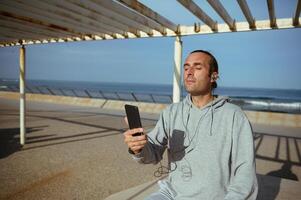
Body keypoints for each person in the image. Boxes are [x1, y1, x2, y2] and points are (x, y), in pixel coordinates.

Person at [123, 50, 258, 199]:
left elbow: (245, 173)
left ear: (214, 76)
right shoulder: (172, 112)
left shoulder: (234, 116)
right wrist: (139, 147)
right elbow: (153, 154)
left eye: (197, 67)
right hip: (171, 194)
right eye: (186, 68)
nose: (189, 72)